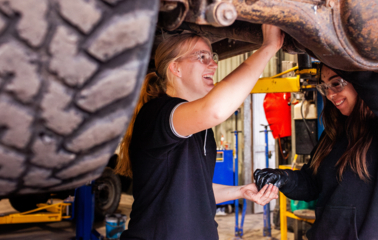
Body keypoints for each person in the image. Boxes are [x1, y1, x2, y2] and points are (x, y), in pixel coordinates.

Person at [117, 25, 284, 240]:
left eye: (212, 56)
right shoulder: (157, 114)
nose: (213, 64)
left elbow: (198, 192)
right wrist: (268, 48)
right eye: (202, 57)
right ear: (175, 68)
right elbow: (214, 110)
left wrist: (241, 191)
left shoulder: (198, 129)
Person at [254, 64, 378, 240]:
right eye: (325, 87)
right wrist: (284, 179)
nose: (329, 94)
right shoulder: (333, 135)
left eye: (336, 84)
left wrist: (345, 58)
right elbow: (313, 182)